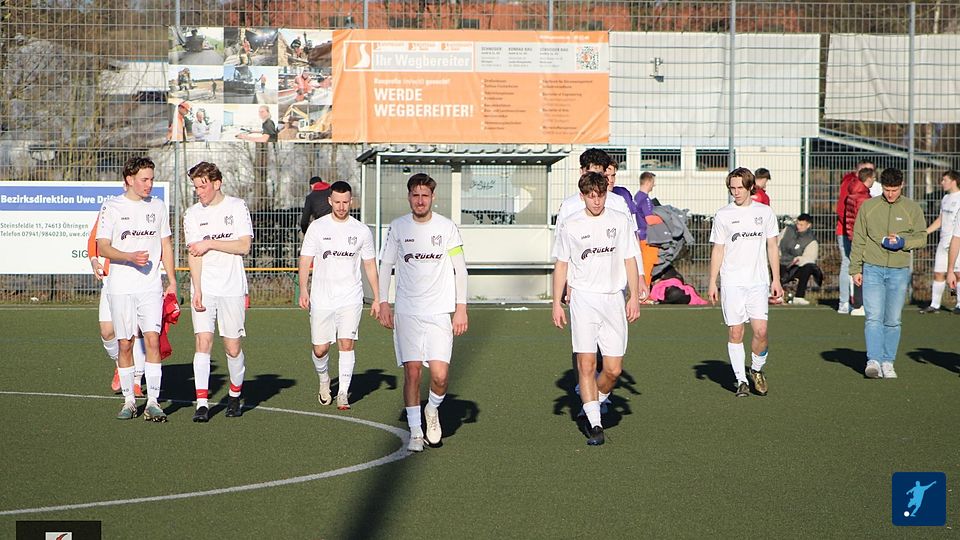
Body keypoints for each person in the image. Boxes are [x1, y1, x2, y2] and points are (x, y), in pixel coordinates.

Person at [376, 173, 469, 452]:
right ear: (409, 197)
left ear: (432, 198)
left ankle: (432, 409)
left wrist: (461, 308)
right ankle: (416, 432)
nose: (420, 201)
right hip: (407, 311)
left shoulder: (446, 227)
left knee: (440, 376)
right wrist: (383, 302)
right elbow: (386, 265)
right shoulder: (397, 227)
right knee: (413, 372)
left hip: (439, 312)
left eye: (424, 196)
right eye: (415, 195)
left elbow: (460, 269)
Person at [552, 171, 641, 446]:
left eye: (600, 195)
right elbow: (561, 265)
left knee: (613, 370)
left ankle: (593, 402)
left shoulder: (620, 220)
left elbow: (630, 259)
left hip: (613, 299)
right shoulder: (571, 224)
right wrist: (556, 303)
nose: (596, 201)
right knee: (587, 363)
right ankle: (595, 423)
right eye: (591, 196)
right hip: (583, 299)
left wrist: (634, 296)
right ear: (582, 197)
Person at [95, 156, 176, 421]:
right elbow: (102, 247)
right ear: (130, 179)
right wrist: (128, 257)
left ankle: (153, 401)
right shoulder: (111, 207)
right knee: (125, 343)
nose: (149, 184)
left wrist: (172, 280)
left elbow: (166, 244)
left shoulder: (159, 206)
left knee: (152, 339)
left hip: (150, 286)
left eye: (151, 179)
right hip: (120, 286)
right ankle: (129, 401)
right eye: (144, 179)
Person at [298, 181, 380, 410]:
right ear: (330, 201)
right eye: (337, 202)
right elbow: (305, 259)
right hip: (322, 297)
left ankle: (343, 392)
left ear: (351, 201)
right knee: (320, 349)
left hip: (350, 297)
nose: (341, 206)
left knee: (346, 343)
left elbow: (370, 265)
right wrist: (303, 289)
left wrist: (377, 297)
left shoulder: (361, 231)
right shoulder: (317, 227)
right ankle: (324, 380)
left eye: (345, 202)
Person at [183, 161, 254, 422]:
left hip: (232, 287)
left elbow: (244, 246)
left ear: (217, 183)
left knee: (232, 347)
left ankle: (234, 395)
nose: (199, 192)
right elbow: (195, 254)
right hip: (205, 287)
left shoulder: (237, 207)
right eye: (195, 187)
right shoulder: (192, 214)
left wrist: (210, 243)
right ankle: (202, 403)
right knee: (203, 342)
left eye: (202, 186)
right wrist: (197, 289)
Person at [707, 167, 782, 397]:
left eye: (740, 187)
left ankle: (756, 370)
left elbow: (772, 246)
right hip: (732, 282)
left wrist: (776, 279)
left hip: (758, 282)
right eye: (732, 188)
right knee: (736, 332)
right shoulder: (723, 215)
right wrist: (712, 281)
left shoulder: (765, 212)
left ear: (750, 187)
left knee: (761, 331)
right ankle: (741, 380)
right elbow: (718, 249)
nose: (736, 192)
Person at [850, 167, 926, 379]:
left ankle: (888, 361)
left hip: (899, 271)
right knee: (873, 317)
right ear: (881, 187)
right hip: (872, 268)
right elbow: (859, 238)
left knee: (893, 319)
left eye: (894, 190)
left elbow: (922, 237)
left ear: (902, 186)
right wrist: (855, 268)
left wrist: (903, 243)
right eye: (886, 190)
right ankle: (873, 361)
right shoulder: (869, 207)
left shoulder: (912, 208)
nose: (890, 194)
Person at [89, 211, 147, 396]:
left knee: (135, 331)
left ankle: (136, 380)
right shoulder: (111, 209)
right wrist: (94, 261)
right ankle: (120, 365)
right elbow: (93, 240)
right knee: (107, 331)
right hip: (112, 280)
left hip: (139, 280)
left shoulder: (147, 209)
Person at [835, 159, 875, 314]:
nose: (869, 173)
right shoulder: (850, 184)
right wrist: (851, 229)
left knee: (855, 265)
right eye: (866, 169)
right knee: (849, 264)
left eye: (871, 170)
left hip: (851, 230)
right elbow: (842, 209)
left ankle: (854, 301)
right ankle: (845, 302)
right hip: (847, 231)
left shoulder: (863, 189)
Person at [919, 170, 960, 313]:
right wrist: (925, 232)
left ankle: (958, 303)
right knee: (938, 273)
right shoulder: (945, 198)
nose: (942, 183)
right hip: (943, 242)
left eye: (945, 180)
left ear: (953, 181)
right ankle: (935, 305)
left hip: (956, 243)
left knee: (957, 275)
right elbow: (941, 219)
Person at [779, 214, 823, 305]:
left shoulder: (811, 240)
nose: (798, 226)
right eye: (797, 224)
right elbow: (776, 243)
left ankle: (799, 296)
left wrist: (799, 259)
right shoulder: (787, 230)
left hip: (795, 267)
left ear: (808, 225)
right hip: (780, 263)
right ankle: (776, 295)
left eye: (801, 225)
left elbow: (810, 258)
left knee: (809, 267)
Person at [945, 206, 960, 313]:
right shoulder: (945, 200)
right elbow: (956, 238)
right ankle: (957, 301)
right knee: (957, 275)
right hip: (944, 247)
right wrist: (950, 271)